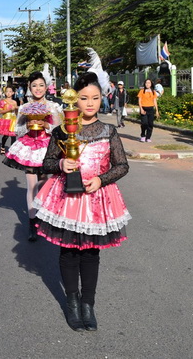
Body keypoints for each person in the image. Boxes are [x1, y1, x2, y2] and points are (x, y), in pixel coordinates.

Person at [33, 71, 131, 332]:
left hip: (97, 199)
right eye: (84, 98)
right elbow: (47, 163)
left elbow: (122, 165)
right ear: (74, 100)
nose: (90, 103)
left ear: (102, 98)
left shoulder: (109, 131)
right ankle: (72, 303)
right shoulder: (61, 131)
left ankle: (88, 304)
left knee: (90, 253)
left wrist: (101, 179)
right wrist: (61, 164)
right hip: (67, 198)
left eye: (95, 98)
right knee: (68, 252)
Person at [3, 71, 63, 242]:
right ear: (29, 87)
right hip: (29, 148)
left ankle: (43, 216)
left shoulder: (53, 107)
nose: (38, 89)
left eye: (41, 85)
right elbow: (18, 130)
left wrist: (46, 125)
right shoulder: (24, 108)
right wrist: (28, 125)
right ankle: (32, 222)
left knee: (44, 183)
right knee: (31, 185)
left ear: (46, 87)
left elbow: (60, 129)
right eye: (34, 85)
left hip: (47, 148)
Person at [0, 85, 18, 155]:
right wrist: (9, 109)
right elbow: (0, 112)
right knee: (6, 135)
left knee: (13, 136)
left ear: (13, 93)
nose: (8, 93)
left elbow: (16, 112)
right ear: (5, 93)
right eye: (7, 91)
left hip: (13, 120)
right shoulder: (2, 102)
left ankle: (12, 150)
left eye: (10, 91)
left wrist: (17, 113)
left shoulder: (14, 102)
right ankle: (3, 146)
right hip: (6, 120)